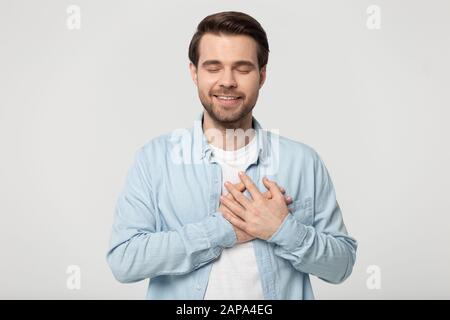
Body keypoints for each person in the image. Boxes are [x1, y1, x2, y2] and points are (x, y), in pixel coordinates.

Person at [106, 11, 357, 300]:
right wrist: (221, 230)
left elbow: (341, 266)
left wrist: (282, 230)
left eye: (242, 68)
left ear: (262, 75)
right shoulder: (153, 160)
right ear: (193, 72)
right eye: (213, 67)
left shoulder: (302, 162)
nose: (227, 81)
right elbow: (124, 261)